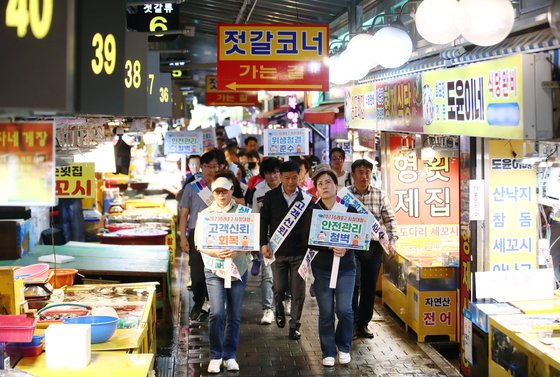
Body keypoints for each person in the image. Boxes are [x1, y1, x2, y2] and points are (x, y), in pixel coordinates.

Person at [195, 176, 253, 374]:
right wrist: (216, 253)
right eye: (217, 191)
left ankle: (230, 356)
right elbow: (200, 245)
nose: (221, 195)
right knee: (217, 312)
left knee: (234, 314)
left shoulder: (244, 212)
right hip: (213, 267)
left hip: (238, 268)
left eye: (224, 191)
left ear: (231, 191)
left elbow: (250, 241)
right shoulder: (205, 214)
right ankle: (215, 355)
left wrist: (239, 251)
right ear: (213, 193)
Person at [260, 160, 314, 340]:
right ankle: (279, 307)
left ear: (300, 177)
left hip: (300, 253)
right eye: (287, 178)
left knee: (298, 292)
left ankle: (295, 325)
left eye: (294, 178)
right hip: (278, 251)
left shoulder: (306, 200)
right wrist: (263, 244)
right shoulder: (270, 197)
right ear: (281, 178)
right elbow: (263, 222)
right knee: (279, 287)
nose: (291, 182)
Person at [311, 168, 357, 367]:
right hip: (322, 269)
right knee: (326, 311)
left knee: (344, 310)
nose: (324, 186)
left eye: (328, 182)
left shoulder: (349, 209)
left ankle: (344, 345)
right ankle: (328, 350)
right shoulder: (313, 211)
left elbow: (359, 237)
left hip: (346, 268)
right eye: (320, 184)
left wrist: (346, 246)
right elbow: (309, 240)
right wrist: (328, 245)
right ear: (317, 190)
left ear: (336, 185)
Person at [348, 159, 398, 338]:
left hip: (374, 246)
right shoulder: (345, 195)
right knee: (353, 284)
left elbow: (390, 220)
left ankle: (363, 323)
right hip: (351, 247)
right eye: (360, 172)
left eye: (367, 172)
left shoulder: (379, 194)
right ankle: (352, 323)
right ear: (353, 174)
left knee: (369, 287)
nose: (364, 176)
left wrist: (392, 242)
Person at [251, 157, 282, 325]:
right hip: (267, 241)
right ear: (264, 174)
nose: (273, 176)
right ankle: (267, 309)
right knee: (267, 276)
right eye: (269, 172)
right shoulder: (258, 192)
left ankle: (286, 301)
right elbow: (255, 218)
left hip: (287, 241)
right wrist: (256, 243)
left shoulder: (289, 189)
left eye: (276, 172)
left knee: (286, 275)